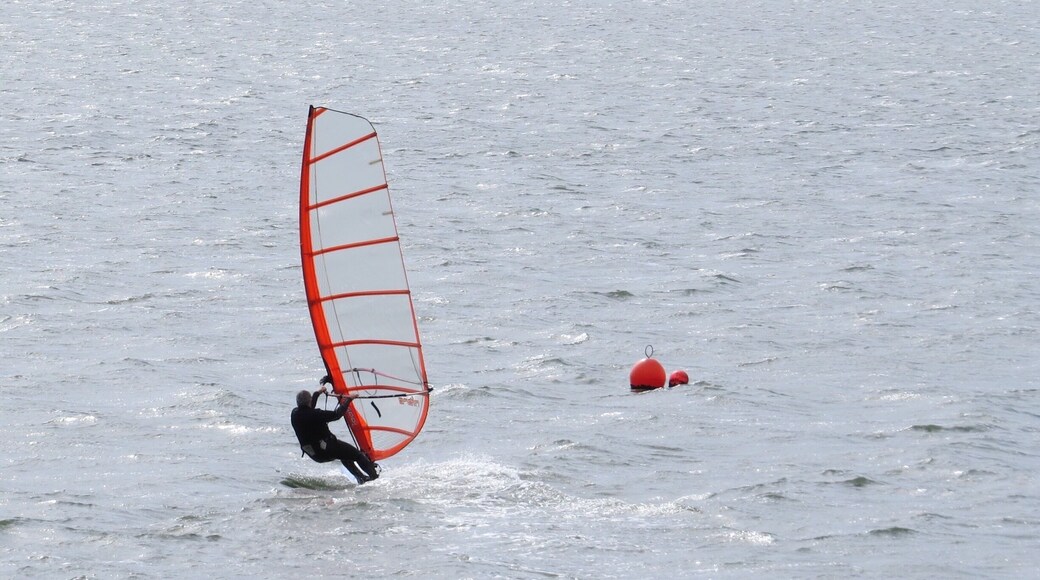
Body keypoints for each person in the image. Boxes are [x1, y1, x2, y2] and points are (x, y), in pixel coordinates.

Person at [291, 380, 380, 484]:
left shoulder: (294, 414)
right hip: (327, 449)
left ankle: (361, 479)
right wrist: (349, 399)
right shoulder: (316, 414)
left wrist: (317, 393)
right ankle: (375, 479)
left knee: (344, 455)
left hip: (314, 454)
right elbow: (336, 414)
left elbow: (308, 408)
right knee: (358, 455)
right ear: (309, 401)